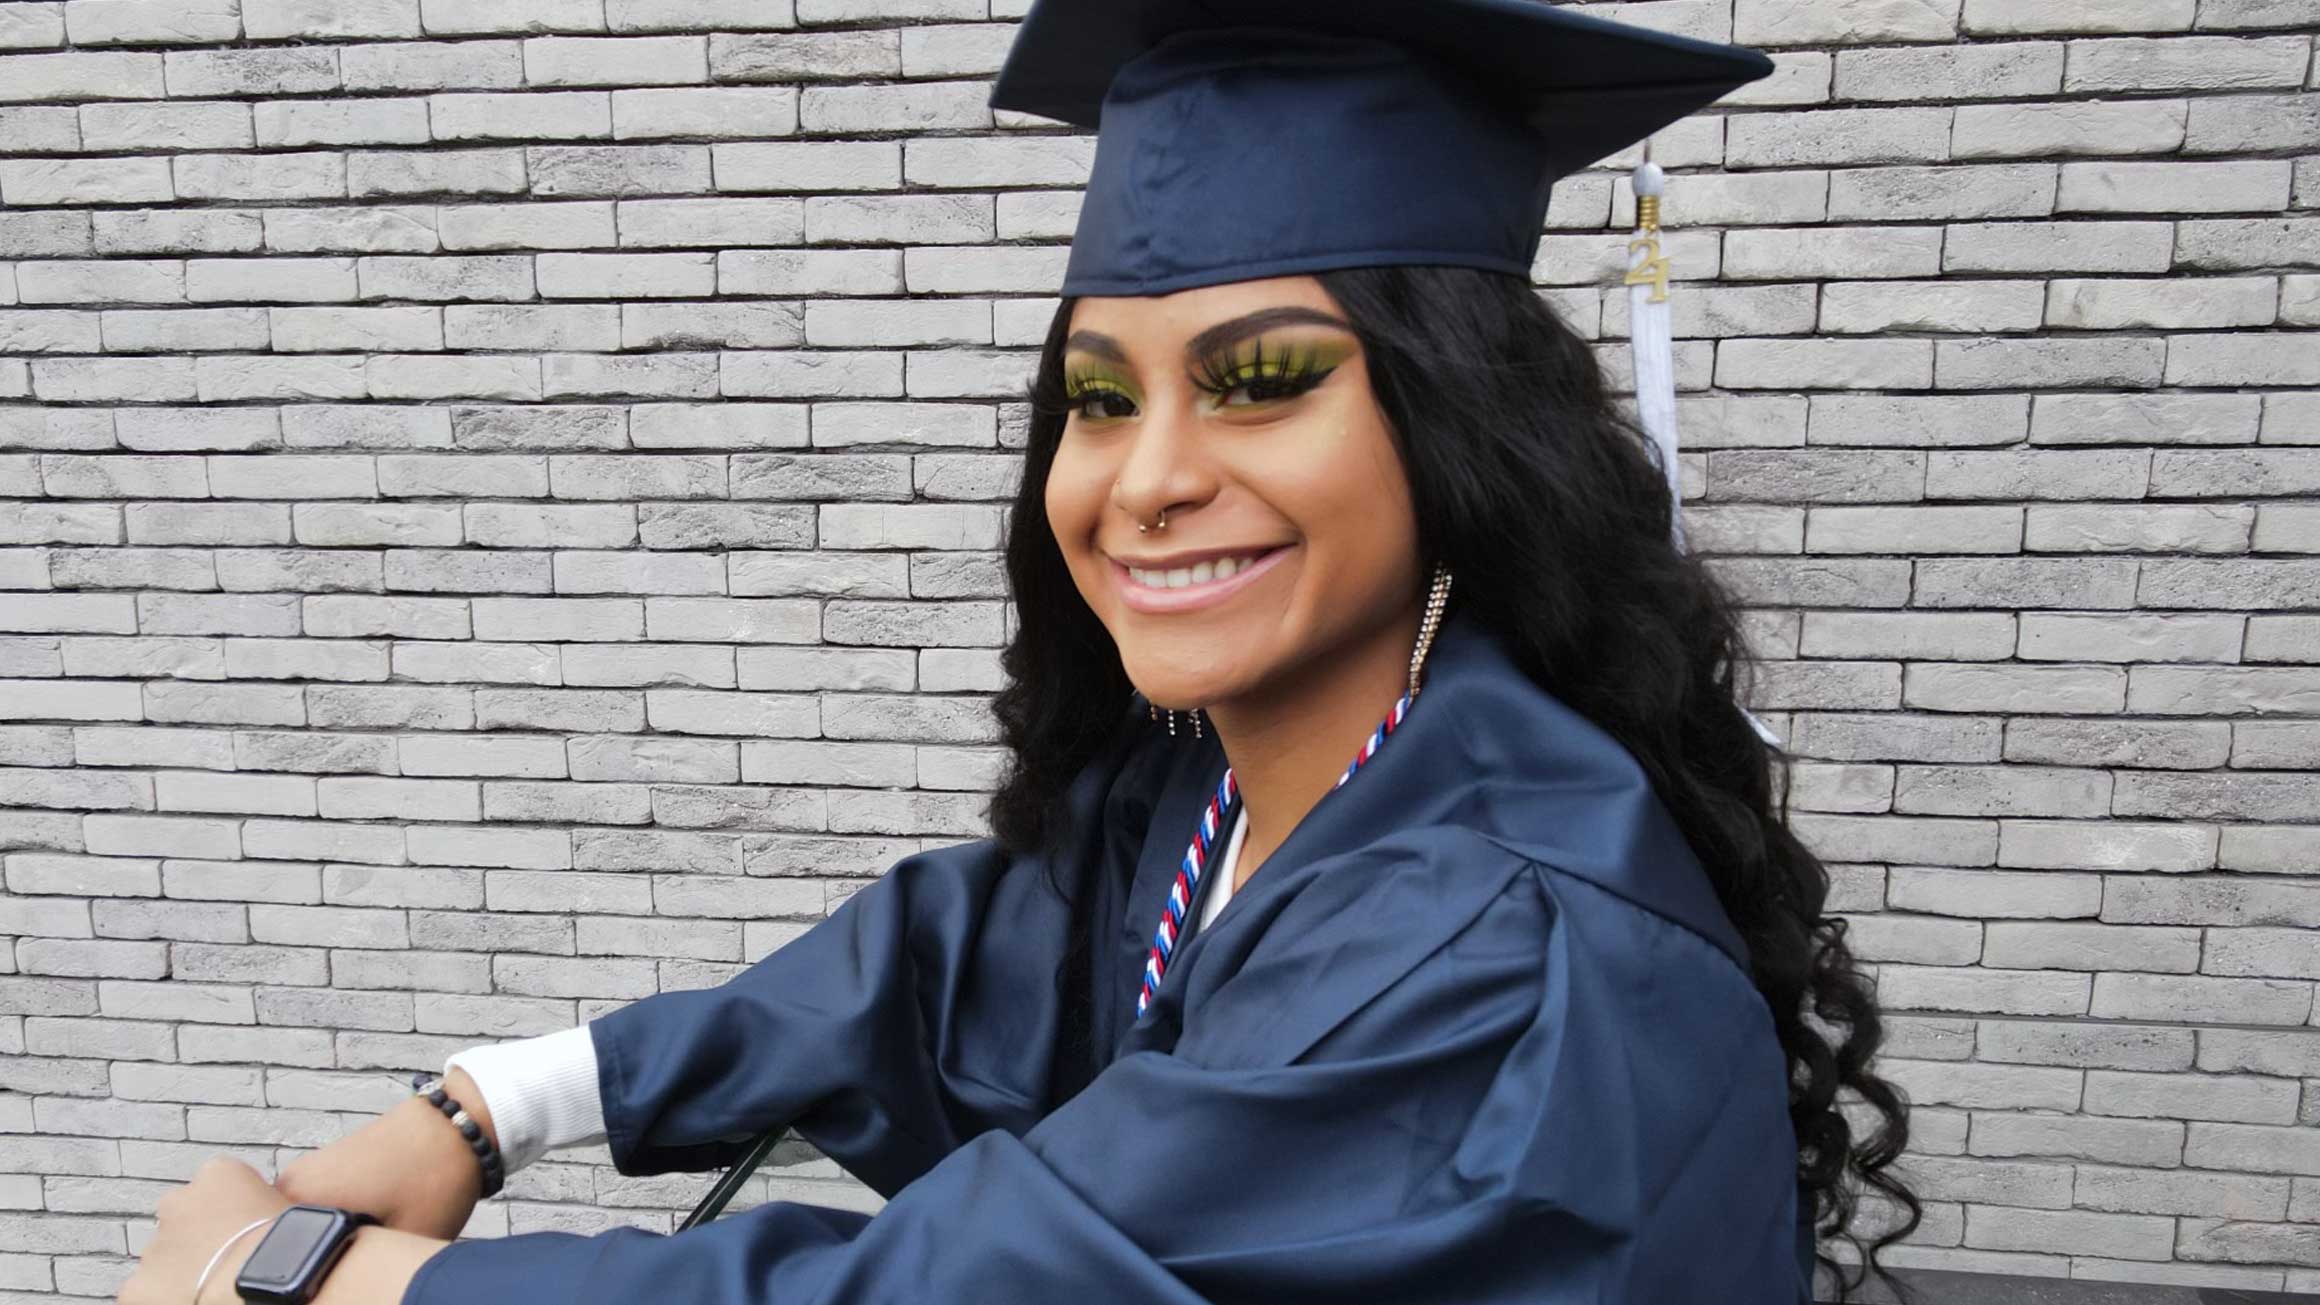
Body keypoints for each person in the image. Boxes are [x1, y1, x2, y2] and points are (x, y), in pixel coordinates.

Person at [119, 2, 1924, 1302]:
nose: (1147, 479)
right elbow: (937, 969)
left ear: (1457, 429)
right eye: (1096, 395)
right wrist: (490, 1104)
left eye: (1265, 377)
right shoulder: (1235, 796)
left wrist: (300, 1283)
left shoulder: (1495, 948)